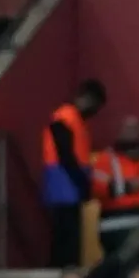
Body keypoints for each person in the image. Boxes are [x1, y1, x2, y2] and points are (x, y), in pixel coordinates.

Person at [42, 79, 105, 267]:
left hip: (67, 180)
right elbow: (65, 153)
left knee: (69, 230)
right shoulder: (65, 116)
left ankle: (65, 267)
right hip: (64, 180)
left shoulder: (75, 119)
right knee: (66, 231)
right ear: (85, 97)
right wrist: (79, 180)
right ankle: (62, 268)